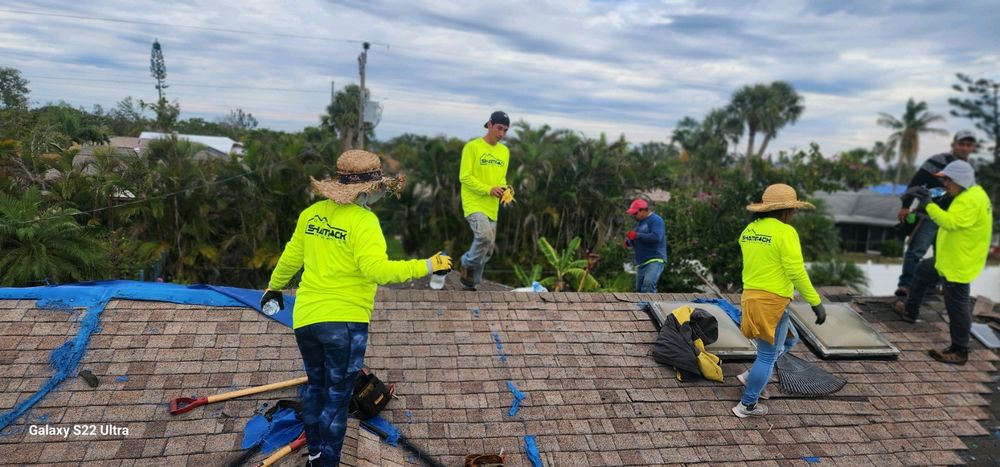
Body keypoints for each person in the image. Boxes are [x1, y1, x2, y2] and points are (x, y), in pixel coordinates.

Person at [260, 149, 452, 466]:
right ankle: (326, 463)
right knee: (336, 399)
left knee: (316, 389)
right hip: (344, 325)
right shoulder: (364, 222)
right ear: (369, 189)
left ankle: (316, 454)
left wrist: (274, 287)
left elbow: (291, 258)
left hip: (306, 319)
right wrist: (429, 265)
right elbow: (379, 271)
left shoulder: (311, 215)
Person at [733, 183, 826, 418]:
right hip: (772, 302)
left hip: (751, 297)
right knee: (766, 355)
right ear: (787, 210)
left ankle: (751, 376)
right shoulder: (786, 232)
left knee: (789, 341)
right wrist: (815, 302)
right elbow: (796, 271)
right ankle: (747, 404)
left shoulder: (750, 230)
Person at [896, 160, 992, 365]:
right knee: (922, 270)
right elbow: (954, 216)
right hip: (951, 258)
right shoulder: (971, 194)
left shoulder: (970, 200)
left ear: (960, 180)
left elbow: (949, 222)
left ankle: (960, 351)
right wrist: (934, 201)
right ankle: (910, 311)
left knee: (957, 305)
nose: (946, 183)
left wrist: (928, 204)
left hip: (958, 263)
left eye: (948, 179)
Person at [894, 130, 977, 302]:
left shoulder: (969, 169)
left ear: (972, 148)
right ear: (953, 145)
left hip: (952, 218)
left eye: (968, 145)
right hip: (930, 214)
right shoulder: (938, 161)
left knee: (944, 255)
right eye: (961, 144)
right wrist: (905, 206)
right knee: (916, 251)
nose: (964, 148)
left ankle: (933, 288)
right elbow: (916, 182)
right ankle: (906, 285)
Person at [458, 110, 511, 291]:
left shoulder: (504, 151)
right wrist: (488, 189)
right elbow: (465, 177)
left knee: (488, 250)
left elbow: (501, 179)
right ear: (489, 124)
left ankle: (470, 282)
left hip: (492, 206)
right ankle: (465, 262)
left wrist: (505, 190)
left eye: (505, 130)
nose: (501, 134)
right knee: (484, 236)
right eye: (499, 128)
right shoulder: (472, 147)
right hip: (474, 203)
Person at [623, 198, 667, 293]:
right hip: (641, 263)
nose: (634, 216)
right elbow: (637, 240)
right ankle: (642, 307)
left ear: (643, 210)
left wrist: (637, 235)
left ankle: (650, 307)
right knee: (639, 291)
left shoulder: (656, 220)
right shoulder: (639, 224)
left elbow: (656, 237)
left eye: (635, 213)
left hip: (654, 259)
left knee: (648, 284)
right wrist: (629, 242)